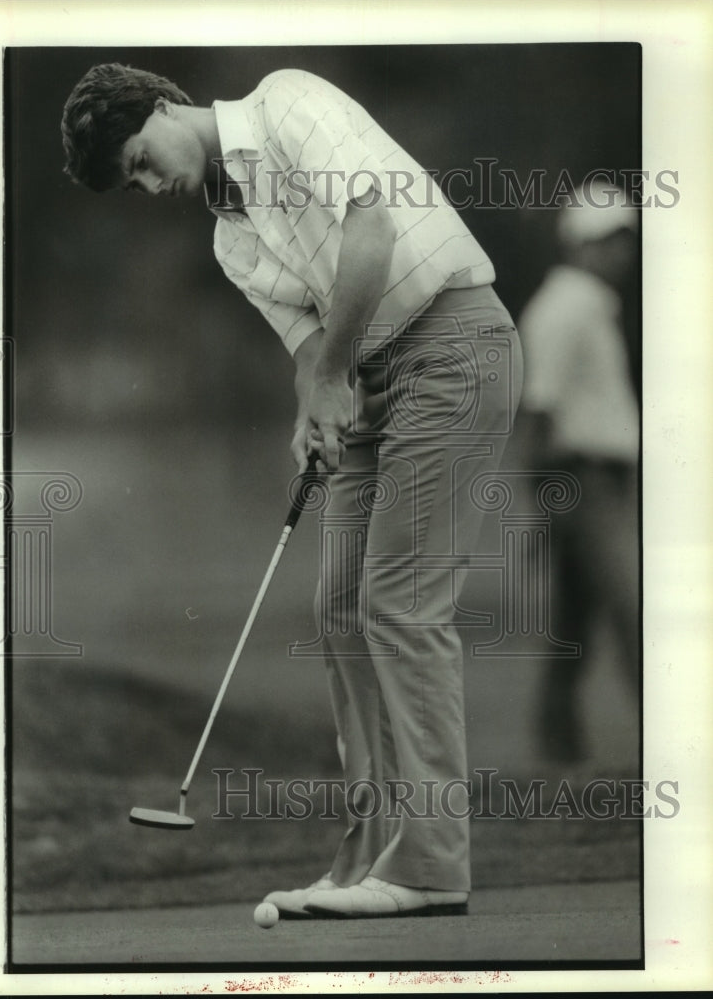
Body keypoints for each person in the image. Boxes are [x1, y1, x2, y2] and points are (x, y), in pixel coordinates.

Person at [61, 63, 523, 918]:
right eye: (133, 183)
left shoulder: (286, 103)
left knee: (400, 604)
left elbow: (373, 229)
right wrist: (313, 406)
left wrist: (337, 372)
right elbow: (311, 349)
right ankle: (369, 859)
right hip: (371, 377)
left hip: (456, 350)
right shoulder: (229, 239)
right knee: (339, 607)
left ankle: (430, 863)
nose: (150, 183)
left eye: (139, 158)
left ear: (163, 109)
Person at [518, 181, 639, 764]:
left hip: (597, 482)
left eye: (626, 238)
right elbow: (539, 410)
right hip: (583, 484)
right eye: (611, 239)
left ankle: (558, 754)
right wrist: (542, 504)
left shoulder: (587, 306)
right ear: (580, 246)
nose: (624, 251)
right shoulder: (564, 309)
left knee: (574, 628)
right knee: (635, 609)